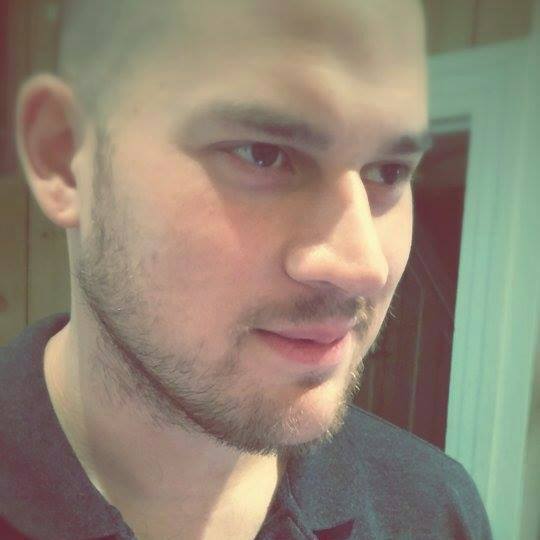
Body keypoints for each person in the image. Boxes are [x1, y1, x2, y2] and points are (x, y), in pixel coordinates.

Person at [1, 1, 493, 538]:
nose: (364, 267)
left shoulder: (434, 511)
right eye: (263, 154)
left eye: (389, 171)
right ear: (65, 158)